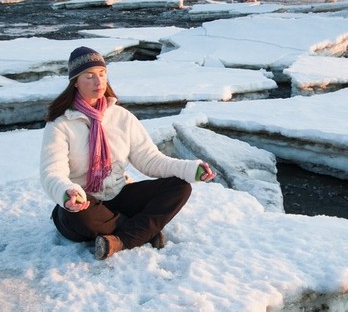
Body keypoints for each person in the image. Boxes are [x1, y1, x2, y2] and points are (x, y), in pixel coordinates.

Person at [40, 46, 217, 260]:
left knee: (179, 187)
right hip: (84, 203)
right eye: (89, 76)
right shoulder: (61, 124)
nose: (98, 82)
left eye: (102, 74)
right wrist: (66, 192)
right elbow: (52, 171)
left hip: (119, 194)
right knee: (80, 216)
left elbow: (150, 159)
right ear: (75, 82)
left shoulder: (122, 117)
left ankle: (120, 240)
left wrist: (190, 168)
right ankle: (142, 231)